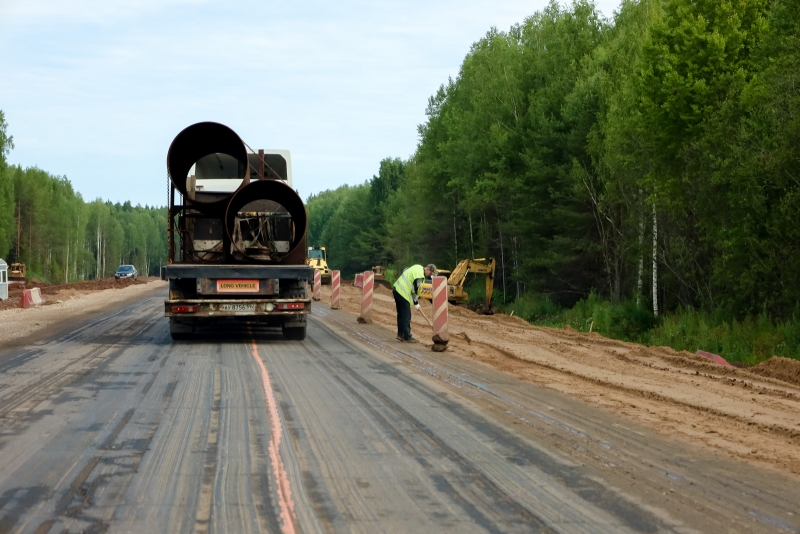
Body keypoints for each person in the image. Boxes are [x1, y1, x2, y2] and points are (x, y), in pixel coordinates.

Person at [393, 263, 437, 343]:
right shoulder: (420, 275)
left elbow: (406, 271)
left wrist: (415, 301)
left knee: (401, 314)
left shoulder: (418, 267)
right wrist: (416, 302)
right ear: (427, 269)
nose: (430, 275)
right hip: (403, 293)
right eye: (430, 273)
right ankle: (407, 336)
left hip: (397, 290)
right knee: (406, 316)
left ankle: (400, 334)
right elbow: (414, 289)